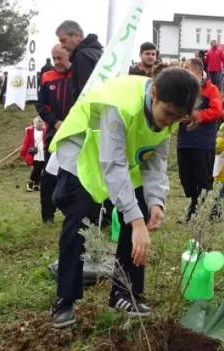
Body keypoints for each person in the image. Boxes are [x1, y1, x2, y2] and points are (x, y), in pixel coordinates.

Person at [47, 69, 200, 328]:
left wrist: (155, 201)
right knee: (81, 219)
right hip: (83, 150)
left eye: (177, 119)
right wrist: (137, 224)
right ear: (154, 95)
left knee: (139, 205)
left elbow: (155, 161)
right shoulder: (121, 105)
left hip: (118, 157)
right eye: (168, 114)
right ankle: (65, 298)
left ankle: (124, 292)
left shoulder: (168, 113)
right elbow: (113, 164)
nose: (169, 123)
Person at [177, 58, 223, 222]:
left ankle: (210, 211)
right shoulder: (183, 89)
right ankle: (195, 208)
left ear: (196, 70)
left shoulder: (211, 89)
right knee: (186, 179)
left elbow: (217, 111)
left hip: (203, 142)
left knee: (203, 179)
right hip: (184, 141)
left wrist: (197, 117)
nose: (183, 69)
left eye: (186, 67)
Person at [36, 44, 74, 223]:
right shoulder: (46, 77)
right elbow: (41, 105)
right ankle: (47, 215)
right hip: (54, 133)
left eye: (60, 58)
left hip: (77, 133)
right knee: (49, 175)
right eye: (54, 58)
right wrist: (55, 122)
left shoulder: (79, 75)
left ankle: (72, 211)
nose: (57, 62)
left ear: (69, 55)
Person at [56, 20, 104, 102]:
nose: (62, 46)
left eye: (64, 41)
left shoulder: (82, 56)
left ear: (77, 36)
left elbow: (85, 95)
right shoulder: (99, 52)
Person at [21, 117, 46, 192]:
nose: (40, 123)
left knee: (41, 168)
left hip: (43, 152)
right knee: (36, 168)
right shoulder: (31, 131)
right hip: (35, 152)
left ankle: (37, 184)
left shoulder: (45, 130)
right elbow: (26, 142)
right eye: (38, 122)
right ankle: (30, 182)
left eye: (41, 122)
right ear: (34, 123)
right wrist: (23, 152)